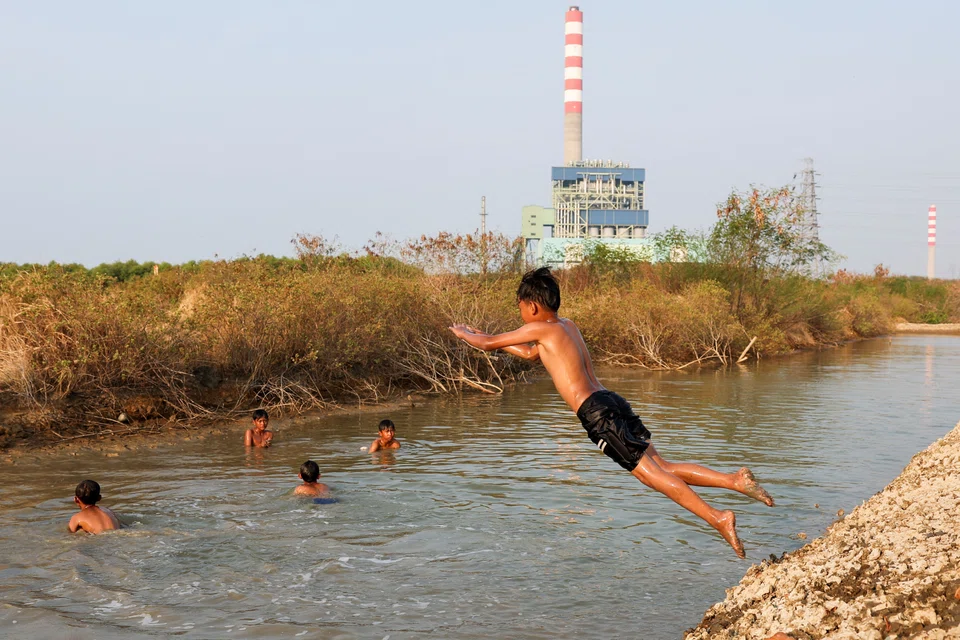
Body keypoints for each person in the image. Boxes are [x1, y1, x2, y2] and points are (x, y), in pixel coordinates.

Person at [449, 267, 774, 558]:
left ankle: (719, 518)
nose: (521, 316)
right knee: (663, 464)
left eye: (520, 309)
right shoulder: (566, 327)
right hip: (611, 399)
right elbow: (533, 355)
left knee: (652, 477)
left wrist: (467, 334)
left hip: (596, 414)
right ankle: (733, 480)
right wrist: (488, 338)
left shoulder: (542, 329)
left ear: (531, 306)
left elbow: (489, 343)